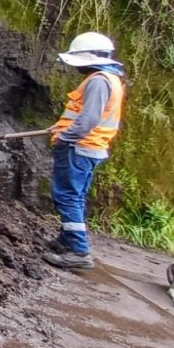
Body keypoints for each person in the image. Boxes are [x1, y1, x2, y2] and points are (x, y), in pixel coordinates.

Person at [42, 31, 126, 270]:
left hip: (79, 147)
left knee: (67, 197)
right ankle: (67, 240)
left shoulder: (99, 80)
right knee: (75, 196)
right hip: (89, 147)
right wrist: (59, 127)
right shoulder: (111, 79)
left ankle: (78, 251)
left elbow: (89, 119)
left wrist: (65, 137)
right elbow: (82, 115)